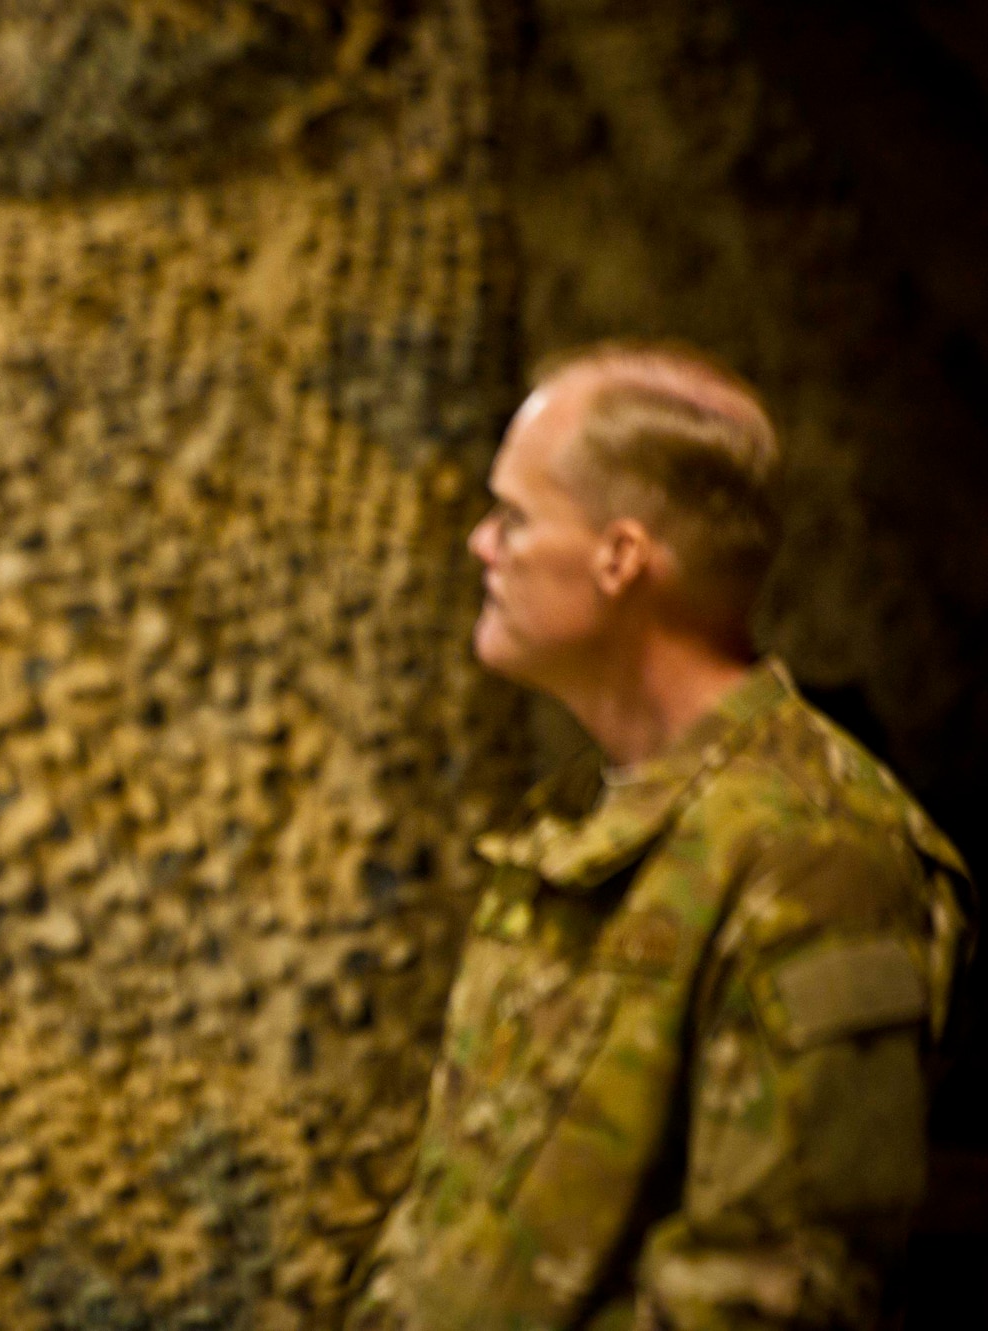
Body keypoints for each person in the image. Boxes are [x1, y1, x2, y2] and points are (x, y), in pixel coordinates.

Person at [346, 342, 973, 1329]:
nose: (479, 543)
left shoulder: (814, 850)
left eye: (512, 515)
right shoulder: (576, 820)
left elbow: (768, 1294)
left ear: (619, 558)